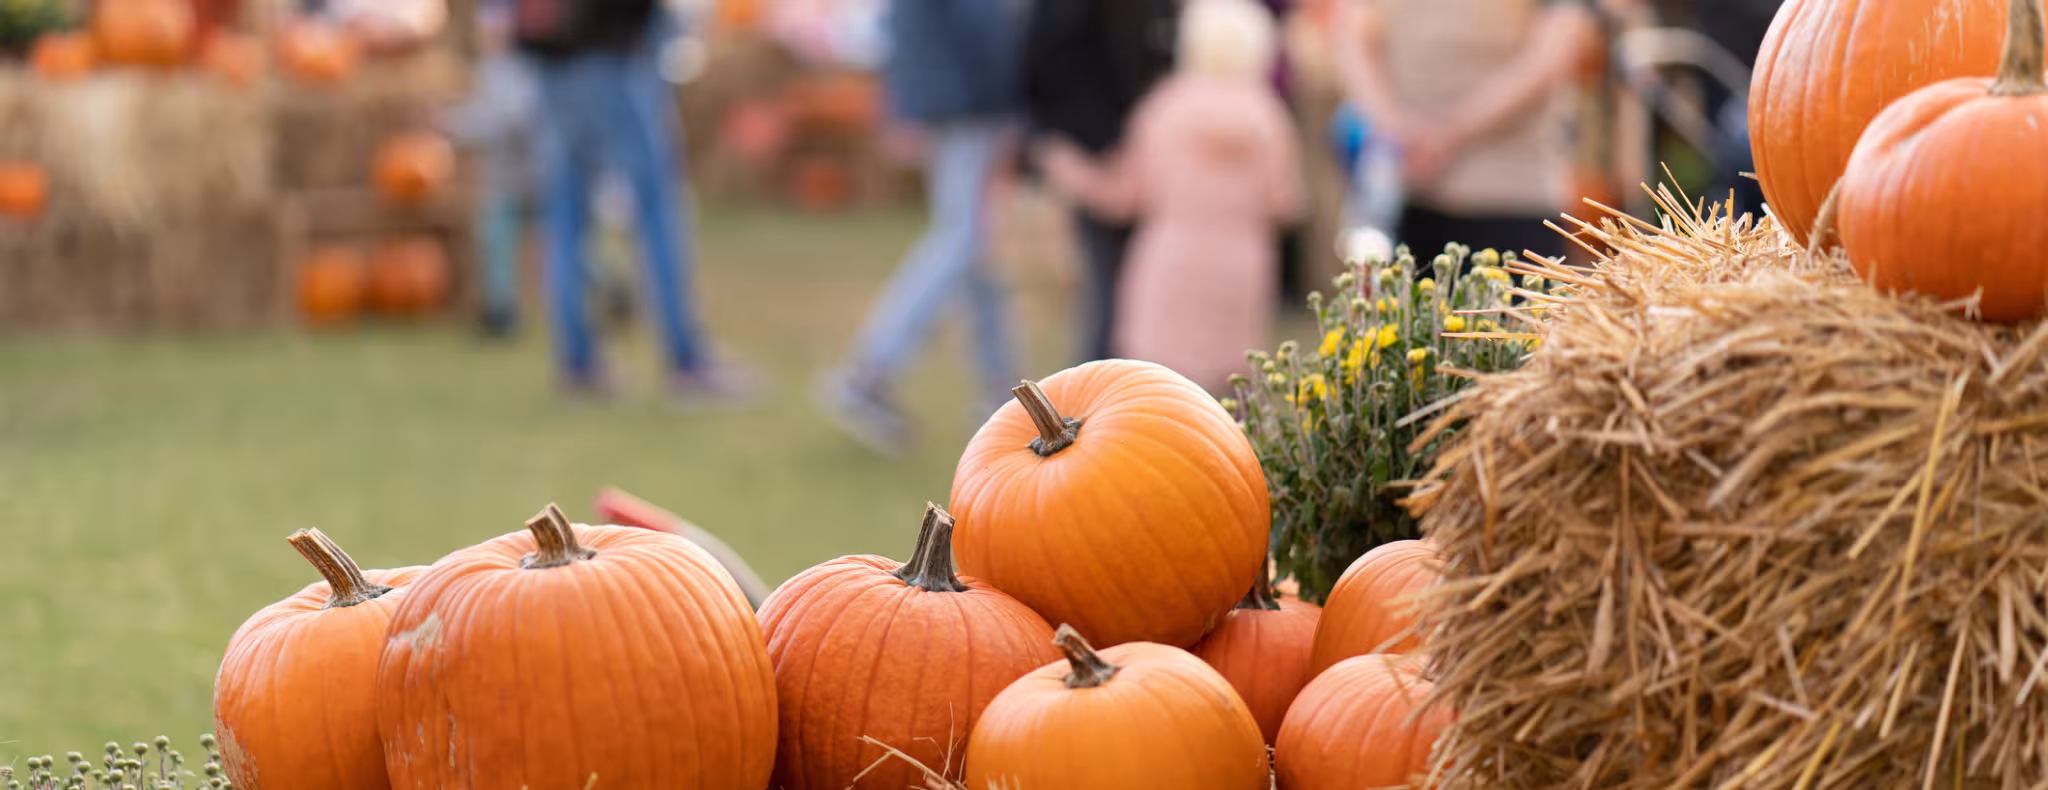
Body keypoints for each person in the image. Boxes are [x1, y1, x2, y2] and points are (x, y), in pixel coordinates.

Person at [1038, 0, 1304, 395]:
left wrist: (1068, 169)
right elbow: (1286, 203)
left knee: (1157, 395)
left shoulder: (1166, 107)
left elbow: (1125, 196)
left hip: (1173, 259)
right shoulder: (1267, 116)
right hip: (1241, 265)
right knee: (1233, 395)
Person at [816, 0, 1026, 456]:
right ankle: (869, 373)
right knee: (962, 239)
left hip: (947, 96)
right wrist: (1015, 99)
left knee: (976, 246)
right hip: (970, 100)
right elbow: (983, 26)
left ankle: (1004, 393)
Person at [515, 0, 751, 400]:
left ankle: (578, 361)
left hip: (553, 60)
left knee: (567, 214)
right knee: (655, 209)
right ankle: (686, 359)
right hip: (612, 54)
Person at [1330, 0, 1597, 265]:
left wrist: (1448, 132)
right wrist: (1392, 125)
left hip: (1511, 194)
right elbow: (1351, 31)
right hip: (1406, 195)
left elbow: (1559, 45)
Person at [1020, 0, 1178, 364]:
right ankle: (1102, 395)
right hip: (1097, 154)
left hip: (1133, 150)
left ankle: (1116, 389)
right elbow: (1042, 73)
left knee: (1130, 286)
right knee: (1112, 285)